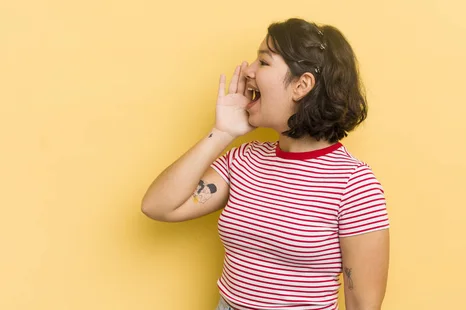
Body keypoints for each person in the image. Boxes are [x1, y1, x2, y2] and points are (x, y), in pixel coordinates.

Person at [141, 18, 390, 310]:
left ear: (302, 85)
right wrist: (221, 133)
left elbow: (363, 302)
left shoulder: (354, 184)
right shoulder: (243, 160)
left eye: (263, 62)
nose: (247, 70)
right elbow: (157, 206)